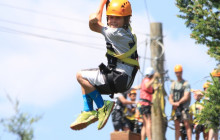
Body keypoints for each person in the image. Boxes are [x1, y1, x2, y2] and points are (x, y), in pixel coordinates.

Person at [70, 0, 139, 131]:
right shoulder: (128, 30)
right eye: (111, 17)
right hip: (124, 79)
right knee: (86, 82)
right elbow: (100, 22)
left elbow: (94, 25)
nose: (113, 21)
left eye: (117, 18)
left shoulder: (115, 33)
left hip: (118, 77)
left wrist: (101, 5)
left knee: (80, 76)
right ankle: (88, 111)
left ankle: (103, 107)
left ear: (126, 19)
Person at [135, 67, 159, 140]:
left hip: (143, 104)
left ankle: (143, 138)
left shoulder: (145, 81)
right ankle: (149, 138)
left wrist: (155, 88)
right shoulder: (146, 80)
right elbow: (147, 85)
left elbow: (147, 88)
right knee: (149, 122)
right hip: (145, 105)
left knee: (145, 124)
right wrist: (154, 78)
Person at [168, 65, 192, 140]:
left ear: (182, 72)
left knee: (187, 124)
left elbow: (186, 96)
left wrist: (178, 102)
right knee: (177, 126)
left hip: (184, 107)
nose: (178, 74)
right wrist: (173, 103)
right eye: (177, 73)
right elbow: (170, 97)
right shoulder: (173, 84)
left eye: (179, 72)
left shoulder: (186, 83)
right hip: (176, 108)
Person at [208, 69, 219, 140]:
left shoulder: (216, 87)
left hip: (215, 109)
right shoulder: (213, 87)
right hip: (213, 109)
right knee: (213, 126)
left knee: (214, 127)